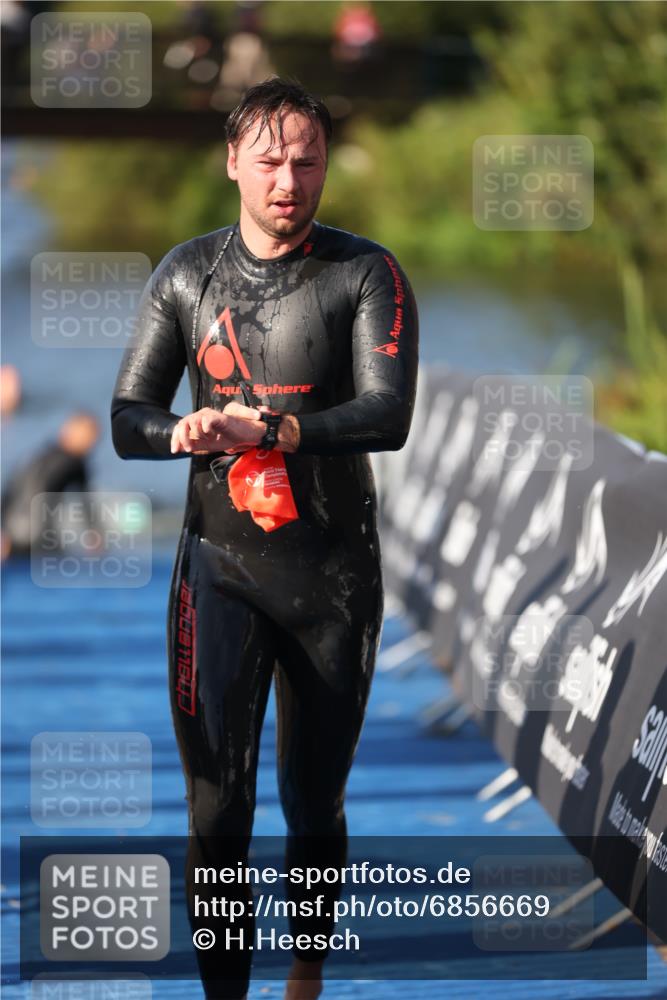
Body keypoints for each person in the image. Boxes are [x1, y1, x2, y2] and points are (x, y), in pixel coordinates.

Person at [111, 77, 418, 1000]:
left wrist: (279, 431)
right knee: (217, 803)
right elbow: (129, 415)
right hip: (219, 571)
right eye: (272, 161)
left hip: (332, 575)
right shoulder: (185, 273)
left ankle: (306, 974)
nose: (290, 180)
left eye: (308, 161)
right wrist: (183, 433)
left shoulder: (365, 274)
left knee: (311, 799)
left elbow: (386, 414)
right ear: (234, 163)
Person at [1, 411, 99, 560]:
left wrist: (4, 531)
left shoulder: (41, 455)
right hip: (39, 537)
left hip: (12, 533)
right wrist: (94, 535)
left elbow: (11, 489)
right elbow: (85, 504)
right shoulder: (76, 463)